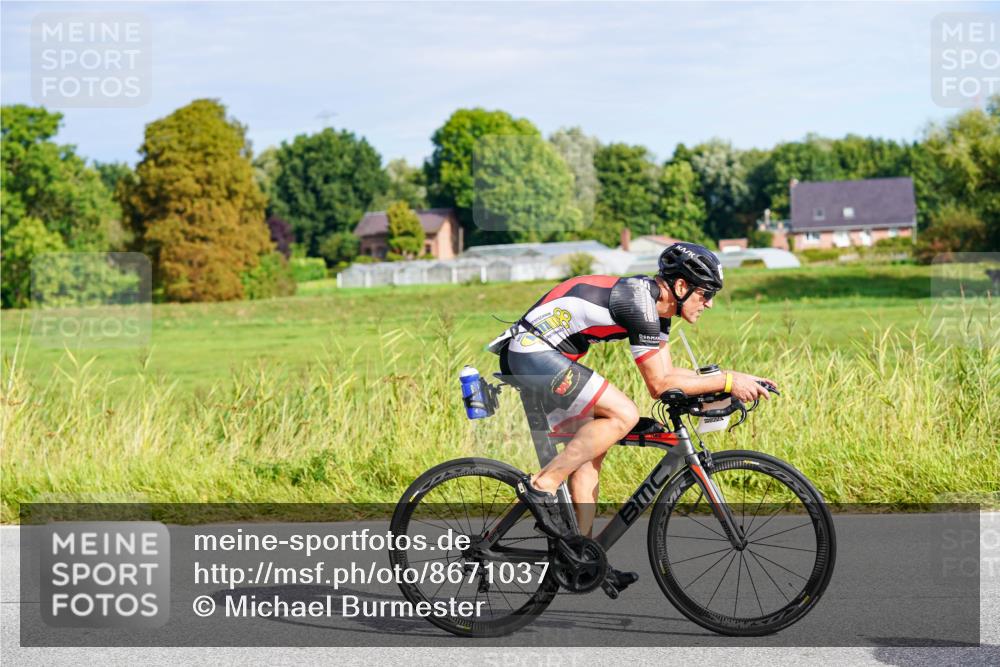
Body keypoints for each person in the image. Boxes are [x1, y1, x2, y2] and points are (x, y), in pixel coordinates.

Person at [487, 242, 777, 594]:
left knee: (594, 443)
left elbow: (669, 372)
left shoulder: (658, 310)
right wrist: (729, 380)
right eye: (705, 293)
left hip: (545, 355)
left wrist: (731, 381)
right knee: (622, 414)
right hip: (532, 352)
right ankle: (543, 485)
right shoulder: (639, 302)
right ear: (682, 287)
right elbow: (659, 385)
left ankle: (579, 555)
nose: (710, 303)